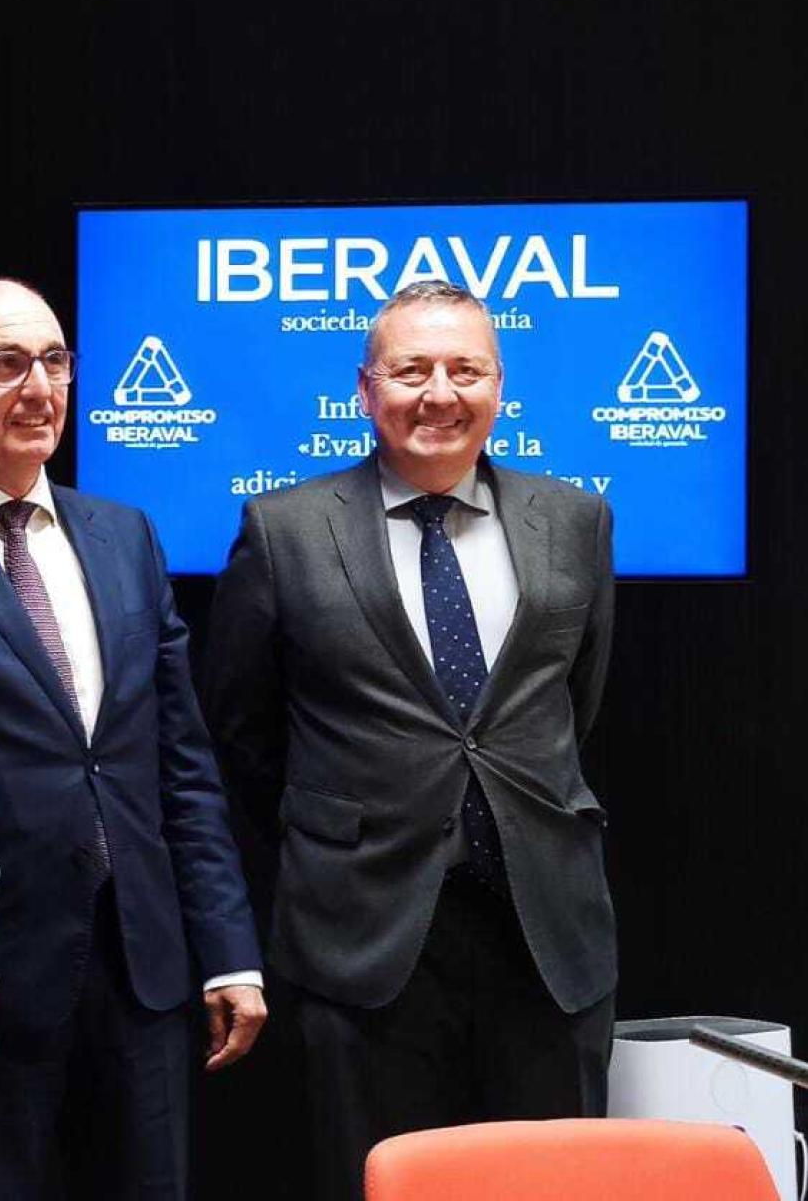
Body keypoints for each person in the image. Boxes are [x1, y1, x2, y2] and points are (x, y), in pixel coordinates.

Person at [0, 279, 265, 1200]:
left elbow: (181, 765)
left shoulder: (123, 534)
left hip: (144, 970)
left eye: (55, 360)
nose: (40, 387)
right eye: (4, 363)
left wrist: (228, 948)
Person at [202, 279, 616, 1200]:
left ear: (500, 387)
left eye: (465, 369)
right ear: (364, 389)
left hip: (543, 934)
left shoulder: (576, 522)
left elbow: (577, 703)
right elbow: (240, 729)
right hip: (365, 939)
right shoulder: (285, 531)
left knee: (548, 1185)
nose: (440, 393)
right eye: (412, 370)